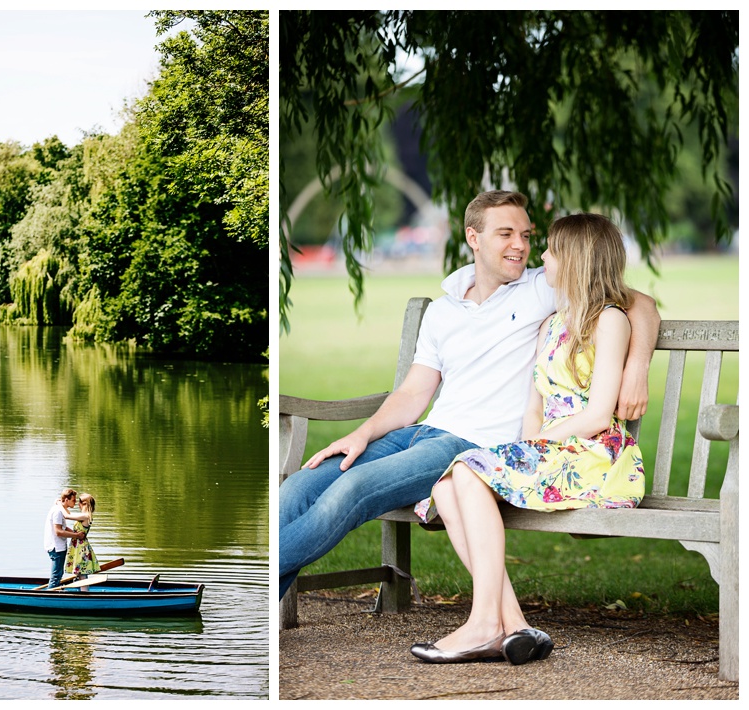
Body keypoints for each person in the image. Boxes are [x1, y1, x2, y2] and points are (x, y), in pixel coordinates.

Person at [278, 190, 660, 600]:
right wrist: (363, 434)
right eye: (506, 234)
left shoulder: (542, 288)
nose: (521, 246)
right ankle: (257, 602)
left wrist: (636, 368)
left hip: (469, 447)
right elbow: (412, 393)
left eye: (527, 236)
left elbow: (638, 303)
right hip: (420, 434)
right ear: (473, 237)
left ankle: (248, 584)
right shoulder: (443, 310)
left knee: (352, 491)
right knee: (299, 487)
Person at [410, 212, 646, 665]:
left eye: (551, 249)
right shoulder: (552, 323)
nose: (542, 255)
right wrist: (529, 441)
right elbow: (534, 403)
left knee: (465, 470)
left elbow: (598, 415)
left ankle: (483, 623)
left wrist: (535, 445)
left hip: (592, 454)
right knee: (445, 485)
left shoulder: (609, 320)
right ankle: (516, 626)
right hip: (551, 449)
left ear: (575, 260)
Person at [44, 488, 86, 589]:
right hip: (56, 547)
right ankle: (49, 597)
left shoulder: (60, 509)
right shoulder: (58, 512)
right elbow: (58, 532)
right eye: (73, 500)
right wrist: (76, 536)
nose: (75, 503)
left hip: (58, 546)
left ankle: (55, 594)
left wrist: (74, 533)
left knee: (58, 574)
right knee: (56, 576)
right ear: (66, 500)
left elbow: (63, 527)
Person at [62, 493, 101, 590]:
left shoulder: (85, 516)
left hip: (81, 548)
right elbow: (68, 515)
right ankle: (82, 592)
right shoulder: (83, 516)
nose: (77, 504)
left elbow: (67, 516)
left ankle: (84, 594)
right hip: (78, 547)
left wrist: (59, 505)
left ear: (83, 504)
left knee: (82, 574)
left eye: (78, 502)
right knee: (80, 573)